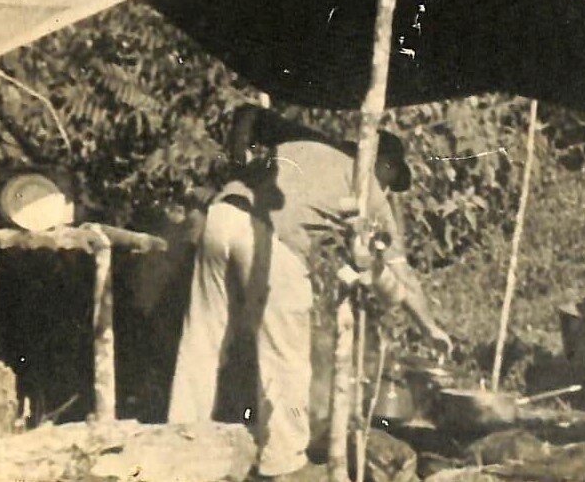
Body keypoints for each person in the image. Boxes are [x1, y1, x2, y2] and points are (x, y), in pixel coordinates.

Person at [169, 108, 449, 480]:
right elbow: (400, 274)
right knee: (287, 356)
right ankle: (283, 465)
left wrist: (237, 163)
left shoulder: (308, 145)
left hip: (222, 215)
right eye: (392, 179)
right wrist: (430, 327)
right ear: (384, 163)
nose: (387, 191)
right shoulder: (367, 186)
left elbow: (244, 116)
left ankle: (178, 445)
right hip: (268, 236)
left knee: (202, 338)